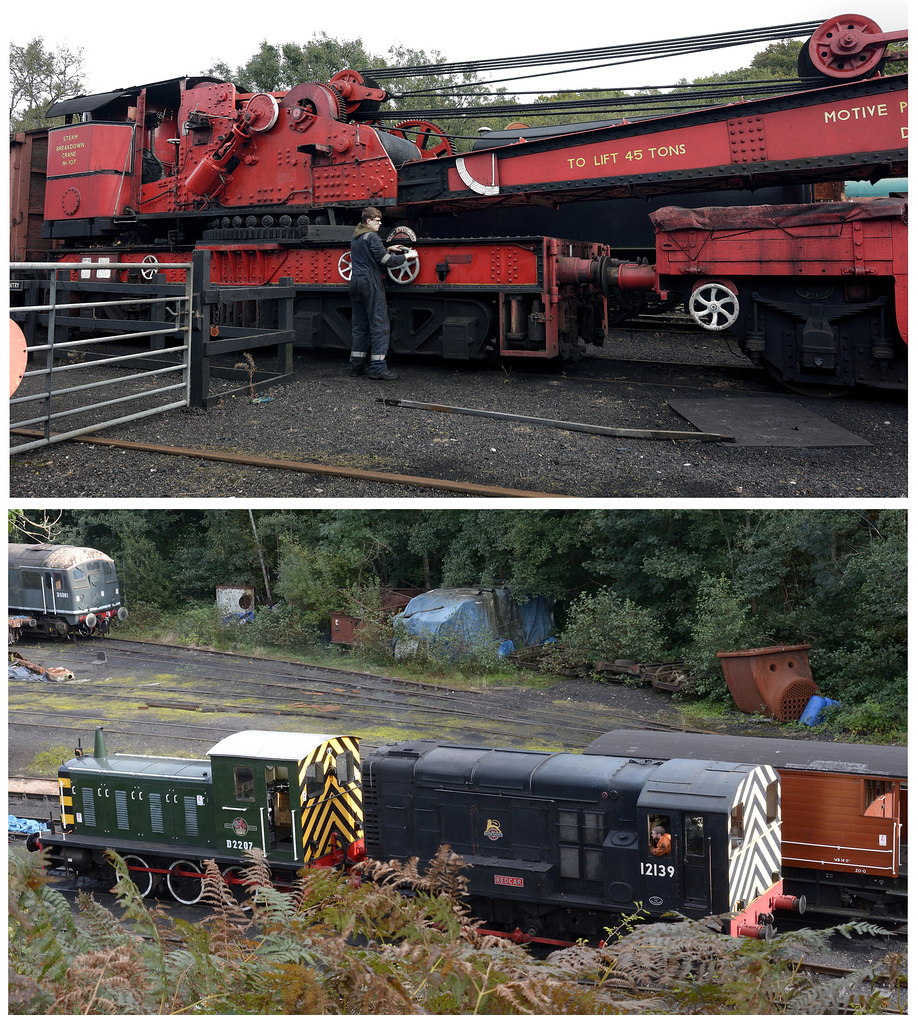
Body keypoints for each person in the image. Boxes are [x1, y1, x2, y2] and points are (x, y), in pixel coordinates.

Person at [348, 207, 408, 381]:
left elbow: (369, 255)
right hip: (370, 283)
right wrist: (407, 256)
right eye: (377, 220)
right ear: (369, 221)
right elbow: (386, 262)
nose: (380, 223)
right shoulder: (372, 236)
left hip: (356, 281)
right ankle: (377, 368)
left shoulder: (357, 236)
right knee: (379, 324)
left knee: (360, 326)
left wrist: (387, 248)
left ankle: (356, 367)